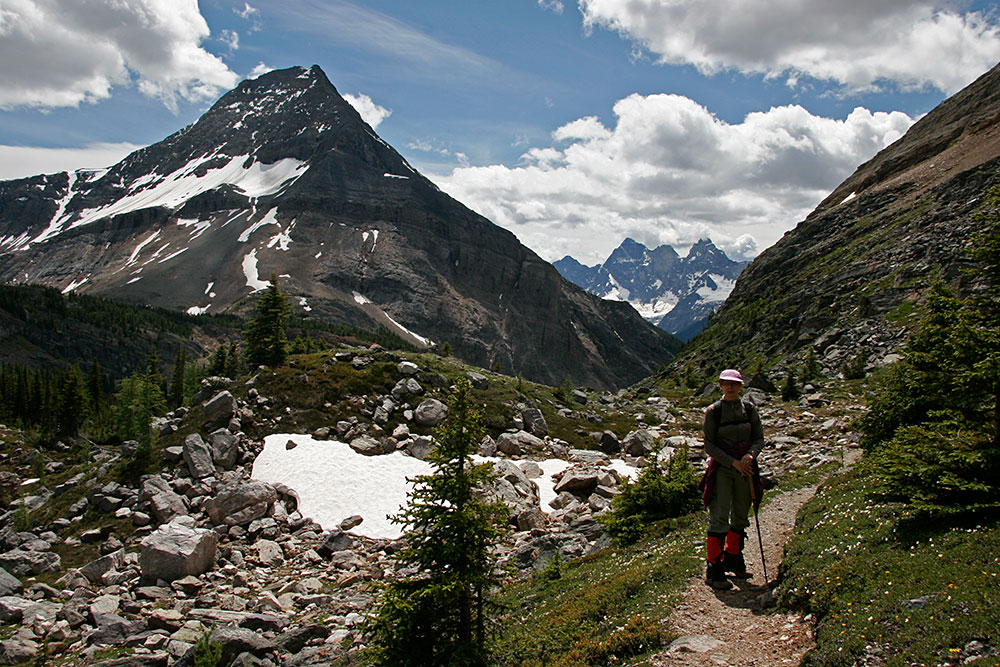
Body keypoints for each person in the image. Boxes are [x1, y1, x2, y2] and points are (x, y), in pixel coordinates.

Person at [699, 369, 765, 590]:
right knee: (719, 516)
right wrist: (733, 462)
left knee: (740, 515)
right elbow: (709, 445)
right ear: (720, 385)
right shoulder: (713, 412)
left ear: (741, 386)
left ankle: (734, 559)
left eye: (734, 384)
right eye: (726, 384)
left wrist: (750, 456)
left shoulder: (749, 409)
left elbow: (758, 439)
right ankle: (714, 568)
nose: (730, 387)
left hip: (745, 468)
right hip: (724, 470)